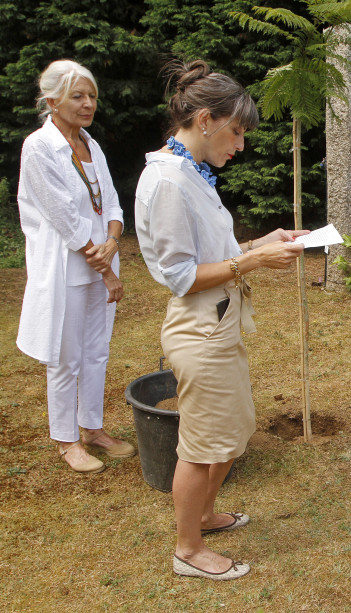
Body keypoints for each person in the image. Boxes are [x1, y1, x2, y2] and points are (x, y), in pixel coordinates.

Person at [134, 60, 307, 581]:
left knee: (232, 429)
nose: (241, 145)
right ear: (205, 119)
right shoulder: (167, 180)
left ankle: (205, 516)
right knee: (203, 441)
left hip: (220, 319)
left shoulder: (191, 173)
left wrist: (259, 244)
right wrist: (252, 262)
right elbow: (182, 277)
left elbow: (214, 252)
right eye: (237, 132)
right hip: (198, 327)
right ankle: (188, 550)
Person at [16, 60, 132, 474]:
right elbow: (64, 216)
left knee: (96, 352)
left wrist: (114, 242)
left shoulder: (90, 144)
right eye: (78, 96)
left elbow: (114, 203)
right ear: (52, 101)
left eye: (92, 96)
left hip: (103, 258)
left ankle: (93, 427)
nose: (88, 104)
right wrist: (106, 267)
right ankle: (66, 439)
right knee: (66, 358)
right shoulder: (39, 147)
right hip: (67, 268)